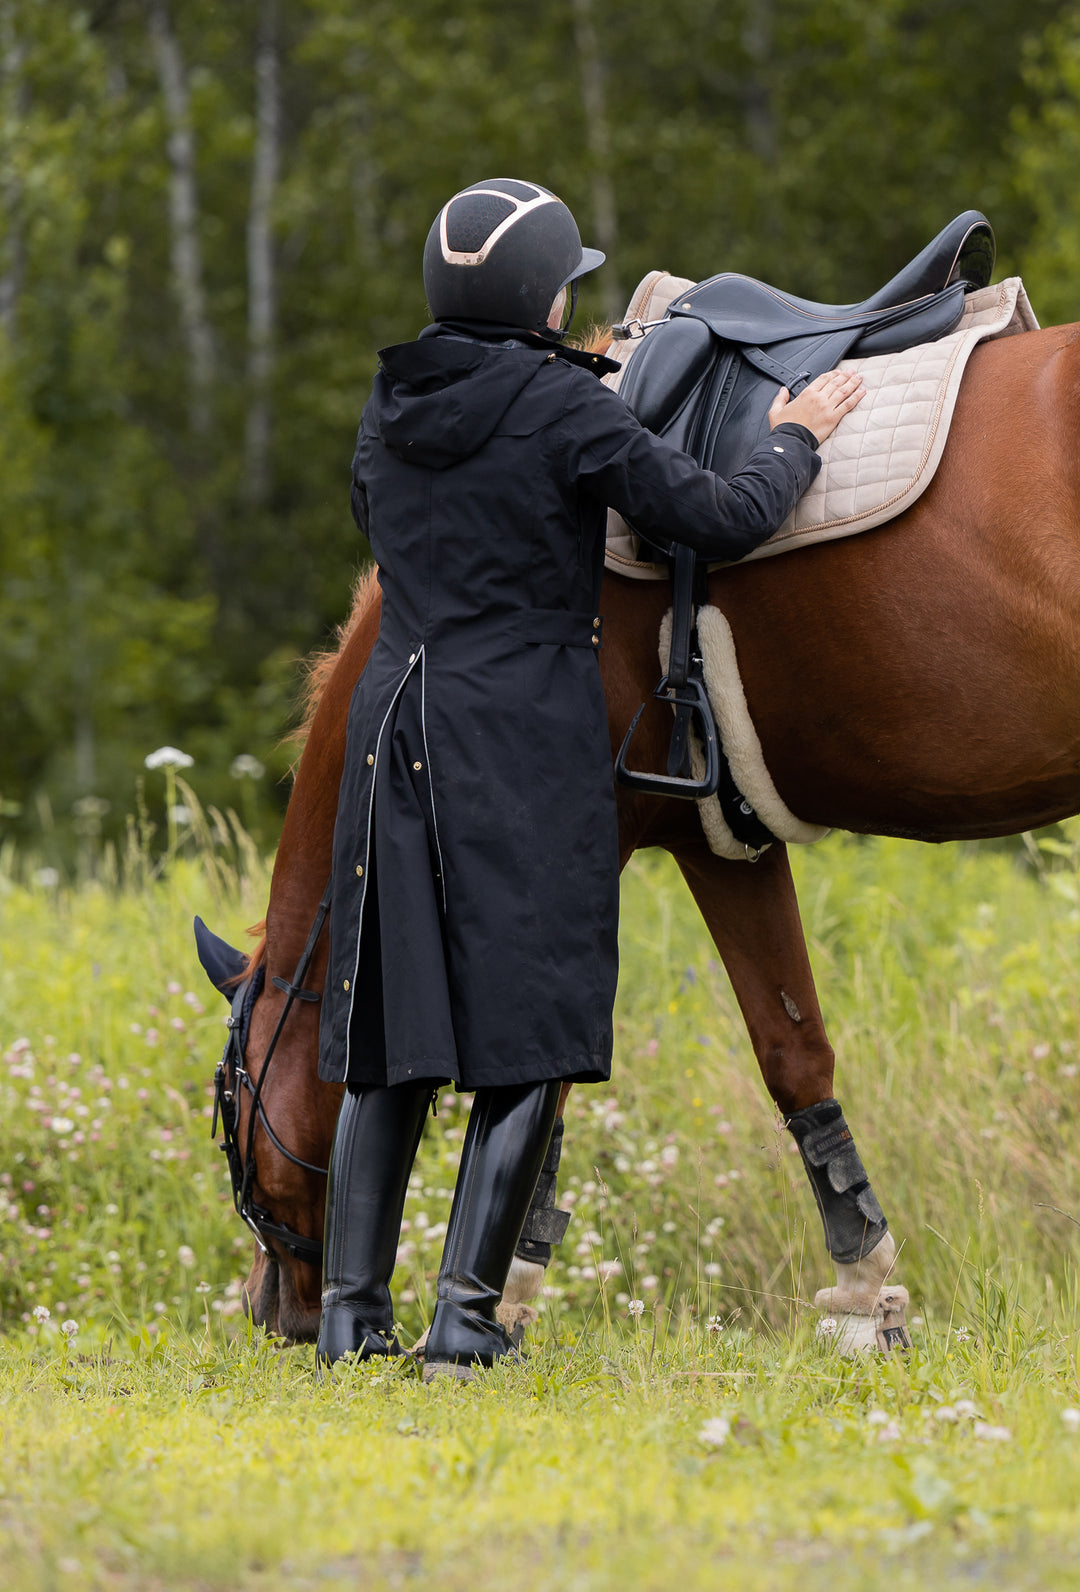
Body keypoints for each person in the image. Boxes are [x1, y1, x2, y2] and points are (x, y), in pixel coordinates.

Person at [316, 178, 864, 1380]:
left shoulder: (387, 401)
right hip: (517, 734)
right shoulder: (565, 407)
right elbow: (715, 516)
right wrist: (800, 435)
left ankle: (352, 1322)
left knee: (390, 1027)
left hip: (395, 718)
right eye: (564, 282)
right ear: (535, 295)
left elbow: (389, 527)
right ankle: (463, 1326)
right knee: (529, 1028)